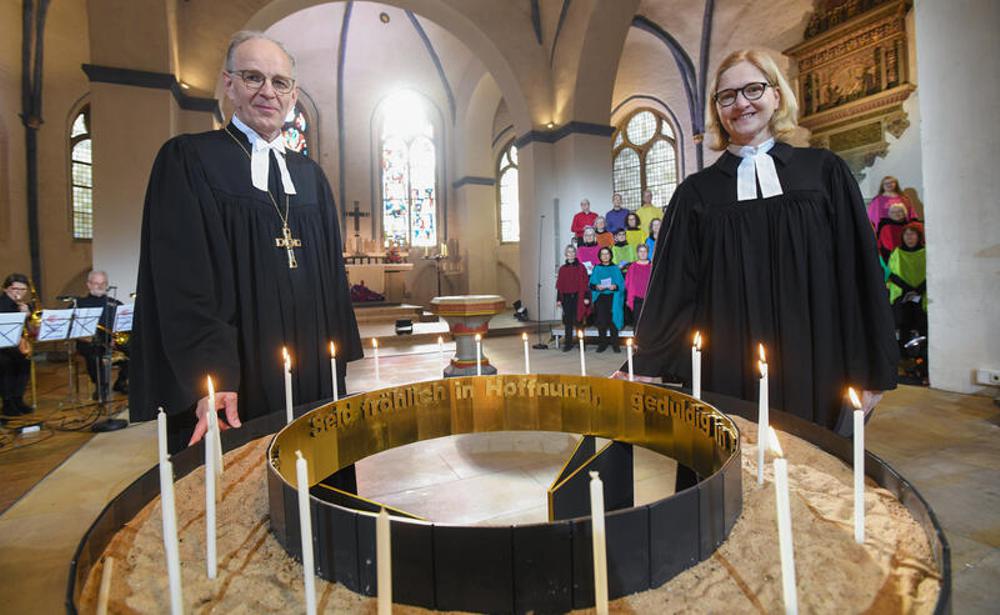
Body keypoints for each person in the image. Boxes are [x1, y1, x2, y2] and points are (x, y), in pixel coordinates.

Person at [622, 49, 897, 433]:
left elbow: (859, 271)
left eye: (753, 89)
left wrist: (873, 368)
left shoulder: (823, 172)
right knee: (736, 481)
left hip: (818, 361)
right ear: (717, 109)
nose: (741, 103)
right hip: (727, 367)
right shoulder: (695, 194)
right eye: (727, 96)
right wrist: (644, 365)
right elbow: (673, 288)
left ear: (777, 96)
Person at [131, 31, 362, 452]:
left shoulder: (311, 176)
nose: (267, 92)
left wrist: (336, 368)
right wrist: (210, 375)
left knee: (315, 487)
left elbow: (332, 281)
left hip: (313, 372)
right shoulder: (190, 160)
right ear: (229, 84)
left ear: (293, 96)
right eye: (253, 77)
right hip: (237, 378)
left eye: (280, 82)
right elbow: (183, 283)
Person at [76, 270, 128, 401]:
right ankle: (101, 386)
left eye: (103, 283)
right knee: (94, 354)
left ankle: (121, 382)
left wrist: (116, 339)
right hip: (89, 342)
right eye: (96, 283)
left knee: (135, 348)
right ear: (88, 284)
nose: (100, 286)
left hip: (112, 341)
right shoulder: (79, 303)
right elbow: (73, 329)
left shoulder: (115, 303)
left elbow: (125, 326)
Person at [887, 222, 927, 342]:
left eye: (912, 234)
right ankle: (904, 354)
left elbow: (931, 273)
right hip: (902, 292)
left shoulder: (926, 252)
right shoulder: (897, 252)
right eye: (906, 234)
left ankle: (922, 353)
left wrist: (918, 290)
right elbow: (891, 274)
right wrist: (908, 289)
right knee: (903, 322)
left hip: (922, 292)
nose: (909, 237)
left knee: (922, 322)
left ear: (919, 236)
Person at [0, 274, 33, 417]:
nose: (19, 292)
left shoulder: (23, 306)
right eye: (15, 289)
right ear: (6, 289)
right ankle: (7, 403)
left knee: (25, 362)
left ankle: (17, 399)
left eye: (23, 289)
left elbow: (32, 330)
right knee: (5, 363)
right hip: (1, 346)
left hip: (15, 346)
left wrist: (27, 315)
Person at [556, 245, 590, 352]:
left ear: (575, 254)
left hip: (578, 297)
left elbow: (585, 284)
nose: (571, 254)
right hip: (566, 298)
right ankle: (568, 343)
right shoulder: (562, 269)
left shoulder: (581, 267)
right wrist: (558, 299)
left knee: (579, 321)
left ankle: (581, 342)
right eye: (569, 252)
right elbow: (559, 286)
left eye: (573, 252)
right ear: (566, 254)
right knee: (568, 322)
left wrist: (586, 297)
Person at [626, 243, 652, 325]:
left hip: (650, 297)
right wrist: (629, 298)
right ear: (637, 253)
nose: (643, 253)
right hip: (636, 299)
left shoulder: (652, 266)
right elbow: (628, 283)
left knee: (649, 322)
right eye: (640, 251)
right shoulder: (632, 266)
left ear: (648, 253)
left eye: (645, 251)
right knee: (637, 321)